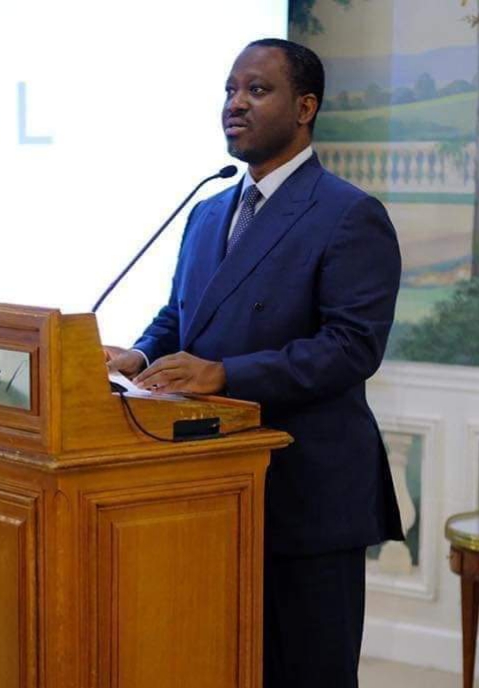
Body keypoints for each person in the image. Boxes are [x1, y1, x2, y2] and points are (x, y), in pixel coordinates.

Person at [105, 38, 403, 688]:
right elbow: (183, 316)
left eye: (257, 90)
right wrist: (140, 353)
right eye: (230, 90)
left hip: (307, 493)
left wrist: (225, 375)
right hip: (210, 491)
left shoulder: (349, 214)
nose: (235, 103)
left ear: (305, 107)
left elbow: (352, 346)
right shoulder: (209, 211)